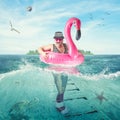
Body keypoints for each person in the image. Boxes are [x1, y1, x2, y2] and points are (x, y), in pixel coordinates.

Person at [38, 31, 69, 115]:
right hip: (55, 69)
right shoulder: (52, 46)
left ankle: (59, 102)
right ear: (54, 39)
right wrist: (43, 53)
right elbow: (39, 48)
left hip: (64, 68)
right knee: (60, 88)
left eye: (60, 39)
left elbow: (74, 52)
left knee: (64, 87)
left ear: (62, 39)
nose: (58, 41)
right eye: (56, 39)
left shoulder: (66, 46)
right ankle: (59, 105)